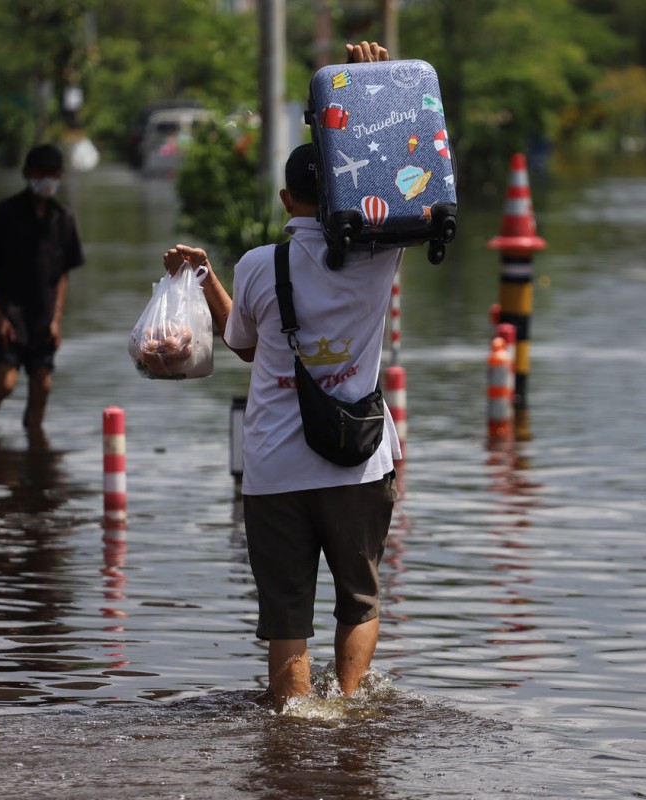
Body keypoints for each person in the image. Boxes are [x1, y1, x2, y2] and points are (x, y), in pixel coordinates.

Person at [163, 41, 401, 711]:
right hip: (357, 465)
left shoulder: (260, 265)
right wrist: (371, 88)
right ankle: (347, 717)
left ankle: (297, 733)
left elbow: (240, 343)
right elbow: (400, 182)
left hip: (273, 469)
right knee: (359, 602)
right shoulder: (377, 259)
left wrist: (206, 276)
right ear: (341, 194)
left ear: (283, 197)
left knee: (286, 621)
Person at [0, 144, 84, 431]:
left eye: (53, 174)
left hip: (43, 317)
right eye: (41, 173)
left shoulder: (62, 219)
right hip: (9, 315)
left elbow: (62, 275)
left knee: (42, 386)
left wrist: (56, 320)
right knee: (6, 383)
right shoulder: (5, 214)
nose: (47, 180)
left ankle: (35, 454)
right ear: (28, 173)